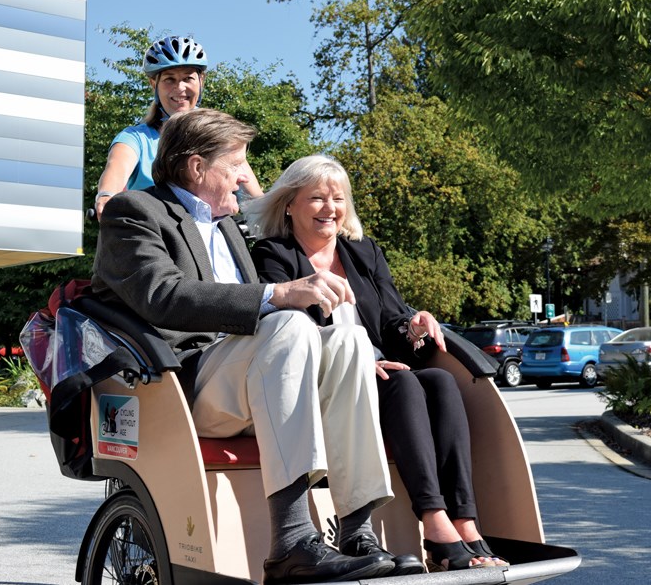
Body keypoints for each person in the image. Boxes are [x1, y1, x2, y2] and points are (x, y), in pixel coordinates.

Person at [90, 110, 423, 584]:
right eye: (237, 164)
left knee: (349, 339)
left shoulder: (229, 227)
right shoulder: (135, 212)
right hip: (186, 385)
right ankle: (290, 542)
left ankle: (356, 532)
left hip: (255, 376)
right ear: (197, 167)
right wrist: (280, 293)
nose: (247, 178)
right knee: (286, 321)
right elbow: (163, 296)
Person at [249, 155, 509, 572]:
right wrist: (355, 360)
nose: (330, 208)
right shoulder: (272, 254)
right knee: (405, 385)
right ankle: (434, 524)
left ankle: (464, 519)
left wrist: (414, 325)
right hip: (325, 377)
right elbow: (285, 330)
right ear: (289, 205)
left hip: (383, 366)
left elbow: (391, 317)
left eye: (337, 198)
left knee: (441, 381)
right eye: (316, 197)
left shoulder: (363, 253)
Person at [94, 35, 262, 218]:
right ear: (154, 84)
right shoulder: (135, 138)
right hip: (157, 235)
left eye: (188, 78)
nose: (180, 87)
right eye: (169, 79)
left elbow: (253, 198)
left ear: (201, 81)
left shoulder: (220, 135)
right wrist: (106, 196)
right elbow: (117, 168)